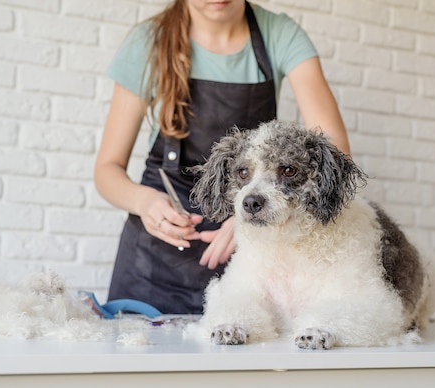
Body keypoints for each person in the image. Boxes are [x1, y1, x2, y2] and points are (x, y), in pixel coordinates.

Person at [94, 0, 351, 314]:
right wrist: (144, 202)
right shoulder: (149, 40)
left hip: (252, 259)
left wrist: (245, 220)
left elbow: (334, 151)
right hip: (151, 264)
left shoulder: (279, 34)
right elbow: (107, 170)